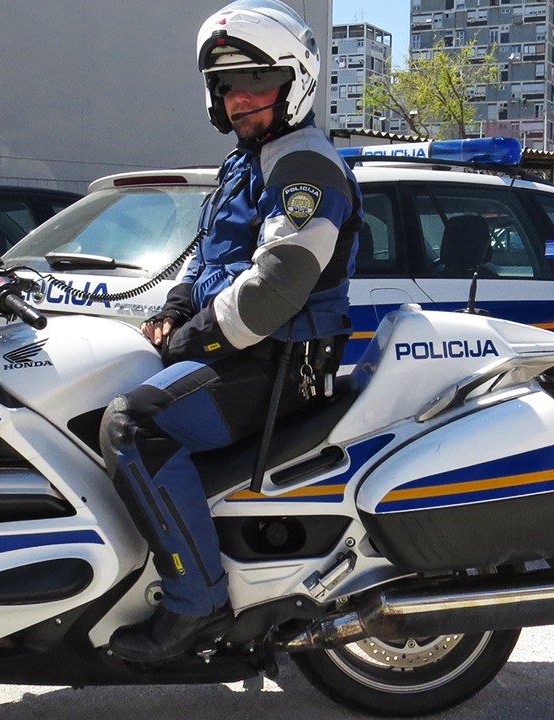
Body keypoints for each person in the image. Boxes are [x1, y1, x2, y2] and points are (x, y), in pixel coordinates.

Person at [100, 0, 362, 663]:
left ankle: (197, 604)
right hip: (246, 354)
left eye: (256, 82)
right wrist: (176, 304)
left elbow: (275, 288)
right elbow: (208, 258)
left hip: (280, 363)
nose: (238, 98)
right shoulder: (249, 161)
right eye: (226, 85)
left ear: (295, 82)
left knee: (132, 425)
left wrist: (192, 338)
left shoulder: (303, 166)